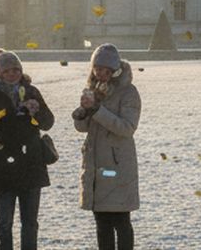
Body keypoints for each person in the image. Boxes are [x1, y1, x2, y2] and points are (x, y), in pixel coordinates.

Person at [73, 43, 142, 250]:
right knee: (101, 223)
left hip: (117, 166)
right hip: (96, 165)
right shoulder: (94, 91)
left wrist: (97, 110)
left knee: (121, 222)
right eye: (97, 69)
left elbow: (127, 127)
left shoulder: (128, 93)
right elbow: (83, 128)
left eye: (104, 70)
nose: (100, 73)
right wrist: (83, 112)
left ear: (115, 71)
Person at [0, 48, 55, 250]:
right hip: (3, 164)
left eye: (16, 70)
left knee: (30, 222)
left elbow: (48, 122)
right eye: (7, 71)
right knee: (4, 222)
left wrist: (36, 111)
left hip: (31, 163)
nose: (12, 74)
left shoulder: (32, 92)